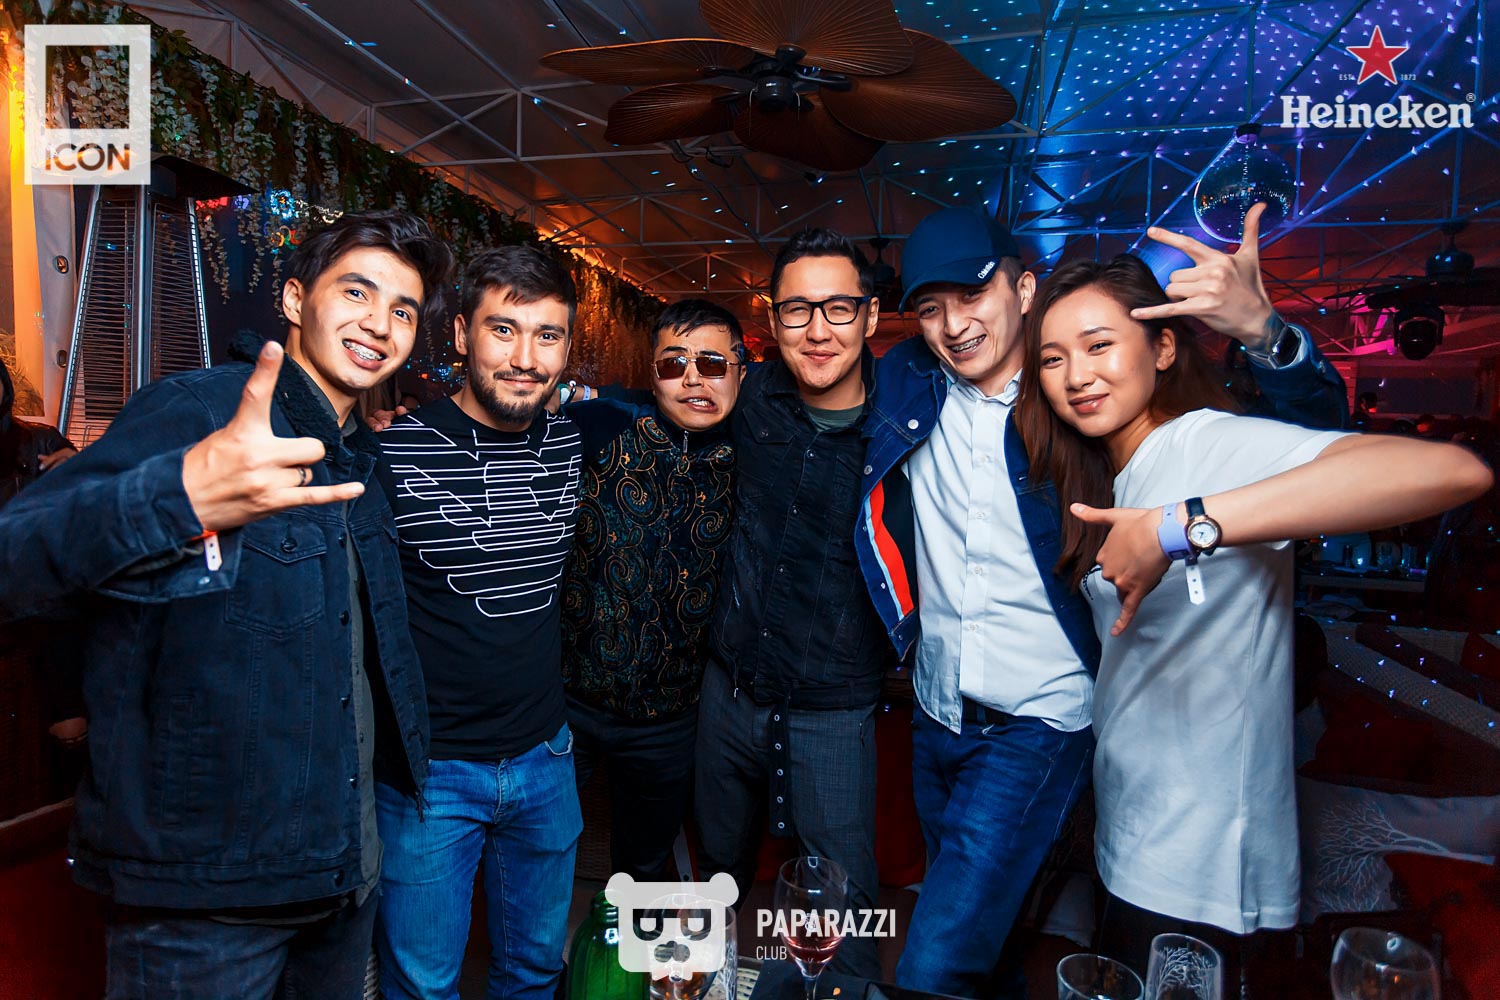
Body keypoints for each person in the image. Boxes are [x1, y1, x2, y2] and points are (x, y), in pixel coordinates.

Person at [855, 204, 1348, 997]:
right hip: (936, 715)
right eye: (931, 308)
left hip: (1038, 723)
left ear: (1024, 289)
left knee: (932, 965)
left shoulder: (1078, 401)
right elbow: (811, 382)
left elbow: (1310, 451)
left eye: (973, 295)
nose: (954, 325)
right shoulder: (908, 382)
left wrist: (1269, 337)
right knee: (989, 945)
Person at [0, 209, 452, 999]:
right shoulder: (198, 413)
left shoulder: (360, 456)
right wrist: (177, 498)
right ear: (295, 298)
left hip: (341, 873)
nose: (380, 324)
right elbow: (15, 559)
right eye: (357, 291)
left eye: (403, 310)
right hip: (204, 900)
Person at [1017, 252, 1491, 991]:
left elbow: (1451, 474)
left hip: (1203, 865)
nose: (1077, 374)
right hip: (1133, 833)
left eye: (1099, 344)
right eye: (1053, 358)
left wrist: (1179, 527)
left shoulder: (1209, 443)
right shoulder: (1116, 473)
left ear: (1163, 348)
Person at [373, 245, 584, 1000]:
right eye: (503, 330)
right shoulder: (392, 450)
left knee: (535, 970)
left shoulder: (572, 440)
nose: (525, 359)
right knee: (422, 985)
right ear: (461, 333)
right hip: (431, 775)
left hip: (546, 756)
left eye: (547, 335)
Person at [695, 228, 889, 979]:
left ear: (870, 316)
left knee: (839, 907)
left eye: (838, 308)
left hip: (832, 710)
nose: (817, 330)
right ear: (772, 319)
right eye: (797, 309)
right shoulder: (751, 399)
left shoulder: (902, 424)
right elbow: (660, 411)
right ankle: (709, 986)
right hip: (730, 692)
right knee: (715, 879)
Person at [561, 299, 745, 881]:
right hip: (567, 705)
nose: (693, 379)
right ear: (653, 375)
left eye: (712, 364)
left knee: (642, 864)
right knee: (541, 851)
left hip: (670, 721)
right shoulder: (601, 428)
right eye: (674, 364)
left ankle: (626, 941)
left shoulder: (756, 456)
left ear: (741, 372)